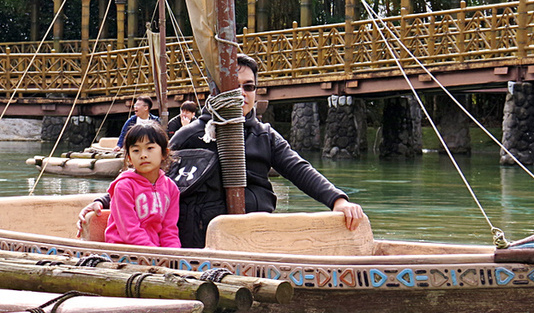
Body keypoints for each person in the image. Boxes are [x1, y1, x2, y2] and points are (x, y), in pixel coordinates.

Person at [79, 54, 365, 246]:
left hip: (253, 234)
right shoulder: (191, 134)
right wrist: (104, 200)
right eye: (233, 86)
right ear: (215, 91)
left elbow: (299, 169)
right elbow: (145, 169)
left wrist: (338, 201)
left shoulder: (264, 135)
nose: (242, 93)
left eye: (249, 87)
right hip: (200, 238)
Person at [103, 119, 181, 247]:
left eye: (150, 148)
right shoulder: (124, 187)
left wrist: (174, 255)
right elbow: (129, 231)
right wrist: (155, 254)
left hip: (154, 252)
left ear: (164, 153)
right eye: (136, 150)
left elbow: (169, 231)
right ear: (129, 158)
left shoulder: (171, 188)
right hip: (123, 249)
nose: (143, 155)